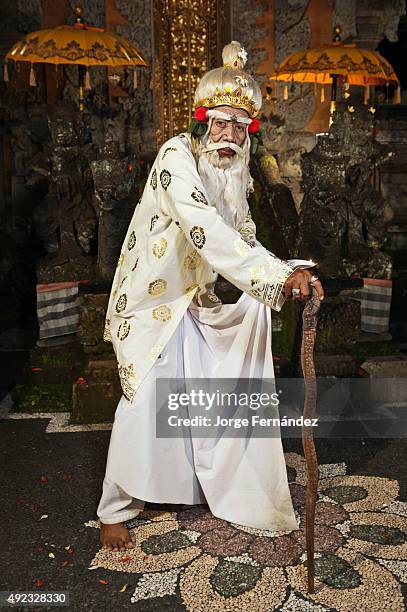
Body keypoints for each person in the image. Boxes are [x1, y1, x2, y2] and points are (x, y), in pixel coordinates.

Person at [97, 41, 324, 551]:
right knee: (145, 399)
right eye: (220, 124)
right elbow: (205, 230)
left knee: (193, 393)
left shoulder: (235, 172)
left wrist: (288, 270)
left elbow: (241, 234)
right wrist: (275, 280)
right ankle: (113, 508)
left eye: (239, 128)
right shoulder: (176, 156)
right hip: (151, 303)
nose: (228, 136)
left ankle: (180, 484)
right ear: (202, 123)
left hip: (192, 299)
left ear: (250, 132)